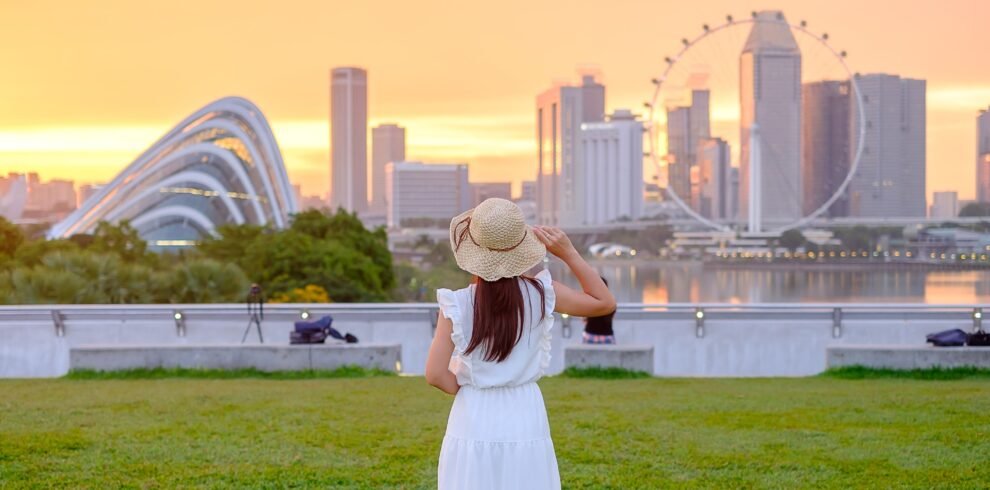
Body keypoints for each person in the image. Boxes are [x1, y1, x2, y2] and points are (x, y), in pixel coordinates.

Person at [425, 198, 616, 490]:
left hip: (474, 412)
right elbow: (604, 303)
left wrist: (469, 386)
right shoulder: (542, 294)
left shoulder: (456, 304)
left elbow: (435, 374)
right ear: (521, 247)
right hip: (524, 409)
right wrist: (569, 253)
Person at [582, 277, 616, 344]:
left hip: (590, 335)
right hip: (607, 335)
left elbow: (584, 318)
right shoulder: (611, 301)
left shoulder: (589, 300)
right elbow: (612, 315)